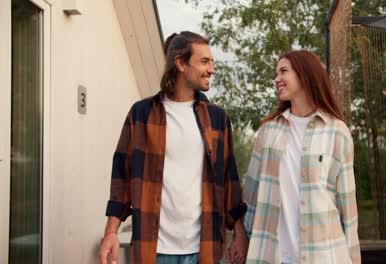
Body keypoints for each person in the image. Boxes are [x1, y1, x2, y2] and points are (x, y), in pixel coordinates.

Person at [99, 31, 247, 264]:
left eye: (212, 61)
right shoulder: (141, 114)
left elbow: (230, 180)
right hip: (154, 250)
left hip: (204, 249)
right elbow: (122, 177)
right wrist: (111, 232)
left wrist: (240, 233)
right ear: (180, 63)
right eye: (204, 61)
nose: (212, 69)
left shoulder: (217, 119)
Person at [242, 50, 360, 263]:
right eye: (276, 73)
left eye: (283, 71)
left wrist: (353, 257)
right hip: (273, 255)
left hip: (325, 255)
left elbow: (347, 205)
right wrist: (242, 240)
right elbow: (250, 195)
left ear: (304, 75)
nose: (276, 79)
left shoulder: (337, 131)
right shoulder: (268, 132)